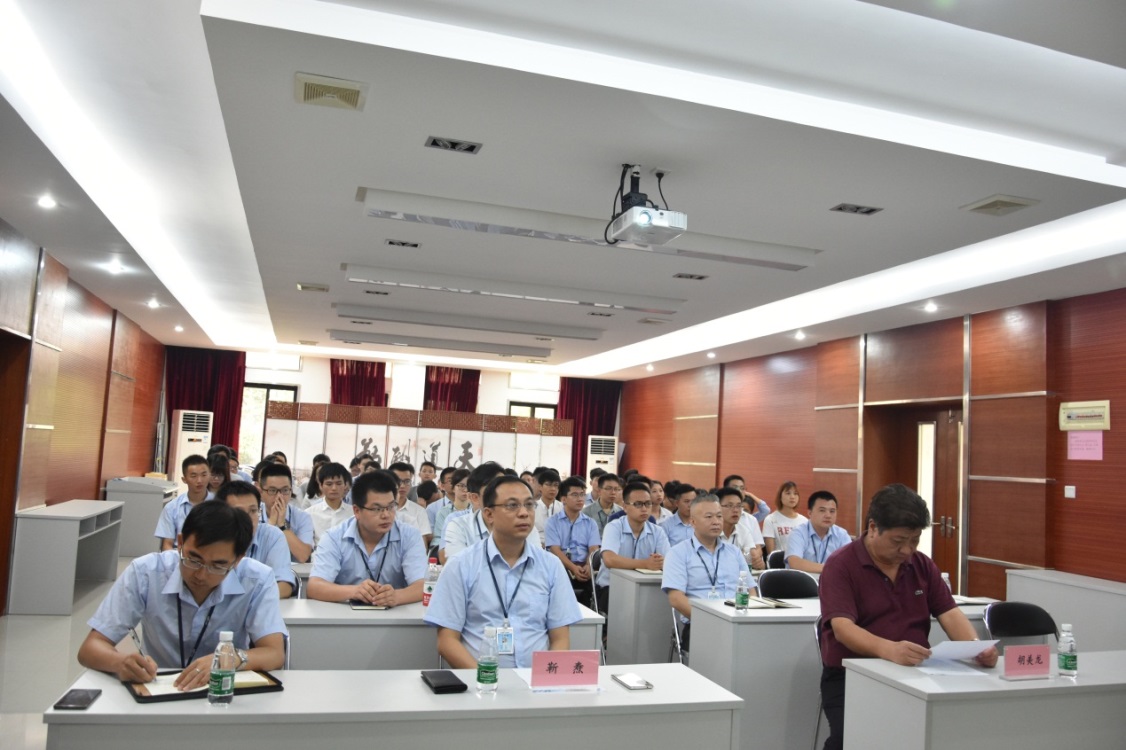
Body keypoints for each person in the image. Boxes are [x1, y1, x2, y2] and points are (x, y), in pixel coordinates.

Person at [818, 484, 997, 750]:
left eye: (914, 541)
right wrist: (890, 650)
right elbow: (843, 629)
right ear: (873, 527)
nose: (907, 550)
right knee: (853, 737)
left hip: (916, 672)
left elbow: (949, 613)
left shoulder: (921, 564)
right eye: (898, 541)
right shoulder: (841, 564)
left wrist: (975, 647)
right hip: (851, 676)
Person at [78, 501, 287, 691]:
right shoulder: (145, 573)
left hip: (222, 690)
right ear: (180, 542)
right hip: (159, 687)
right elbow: (90, 649)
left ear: (238, 559)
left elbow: (275, 653)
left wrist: (230, 659)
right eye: (193, 559)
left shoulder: (257, 579)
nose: (201, 575)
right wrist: (120, 663)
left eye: (218, 566)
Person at [424, 474, 582, 668]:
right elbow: (447, 641)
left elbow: (560, 638)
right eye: (512, 505)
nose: (524, 513)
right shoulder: (460, 565)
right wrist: (485, 678)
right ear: (489, 514)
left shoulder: (551, 565)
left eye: (529, 505)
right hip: (481, 680)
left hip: (535, 680)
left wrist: (543, 679)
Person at [307, 470, 427, 607]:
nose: (386, 515)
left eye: (391, 507)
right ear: (357, 511)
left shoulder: (409, 535)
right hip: (345, 615)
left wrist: (397, 596)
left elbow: (423, 585)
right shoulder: (334, 537)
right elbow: (314, 587)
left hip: (396, 614)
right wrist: (354, 591)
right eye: (377, 509)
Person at [662, 495, 753, 643]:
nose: (716, 521)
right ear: (693, 522)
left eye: (719, 516)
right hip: (701, 626)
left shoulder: (734, 552)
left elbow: (751, 590)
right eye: (709, 517)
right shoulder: (678, 553)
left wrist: (744, 618)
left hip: (738, 624)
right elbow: (676, 599)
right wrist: (714, 620)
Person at [441, 463, 544, 561]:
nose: (503, 493)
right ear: (475, 498)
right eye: (495, 489)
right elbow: (459, 567)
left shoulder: (523, 526)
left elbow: (537, 563)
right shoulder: (459, 526)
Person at [596, 481, 669, 616]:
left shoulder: (657, 531)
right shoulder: (614, 527)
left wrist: (659, 562)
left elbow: (668, 562)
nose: (644, 509)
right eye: (638, 504)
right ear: (625, 507)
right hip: (612, 587)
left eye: (648, 503)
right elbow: (609, 560)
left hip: (648, 587)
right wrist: (646, 564)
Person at [215, 481, 295, 598]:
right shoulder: (210, 538)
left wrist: (245, 602)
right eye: (240, 512)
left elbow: (284, 586)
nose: (248, 519)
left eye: (253, 511)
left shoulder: (272, 536)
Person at [544, 474, 601, 602]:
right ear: (563, 499)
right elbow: (555, 550)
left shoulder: (590, 523)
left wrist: (588, 566)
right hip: (561, 567)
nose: (580, 499)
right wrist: (573, 568)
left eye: (582, 494)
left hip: (584, 567)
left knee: (595, 587)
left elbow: (593, 548)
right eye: (575, 495)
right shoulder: (552, 522)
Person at [257, 461, 314, 563]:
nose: (279, 496)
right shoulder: (251, 514)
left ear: (291, 491)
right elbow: (254, 556)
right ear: (261, 492)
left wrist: (282, 525)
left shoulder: (303, 517)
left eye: (285, 490)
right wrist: (271, 524)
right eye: (272, 490)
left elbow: (303, 556)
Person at [154, 454, 212, 550]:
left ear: (209, 475)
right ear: (184, 479)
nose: (199, 480)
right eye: (193, 476)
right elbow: (167, 544)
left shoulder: (220, 505)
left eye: (204, 475)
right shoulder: (171, 508)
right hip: (180, 554)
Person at [787, 490, 851, 574]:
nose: (828, 515)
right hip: (803, 581)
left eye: (832, 511)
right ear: (810, 513)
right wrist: (830, 568)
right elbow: (795, 563)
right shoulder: (798, 533)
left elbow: (850, 563)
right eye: (822, 510)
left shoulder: (842, 535)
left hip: (832, 581)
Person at [716, 487, 765, 570]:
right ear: (717, 507)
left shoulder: (744, 531)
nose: (735, 510)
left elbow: (754, 559)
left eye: (739, 506)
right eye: (730, 506)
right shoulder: (709, 532)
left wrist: (758, 562)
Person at [305, 462, 353, 546]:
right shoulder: (309, 514)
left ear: (345, 485)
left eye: (339, 483)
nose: (334, 488)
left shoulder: (354, 514)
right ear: (321, 485)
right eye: (329, 484)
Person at [387, 461, 433, 548]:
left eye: (407, 481)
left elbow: (422, 545)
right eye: (398, 481)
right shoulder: (379, 509)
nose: (402, 486)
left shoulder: (419, 511)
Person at [762, 481, 809, 557]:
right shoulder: (770, 519)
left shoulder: (805, 521)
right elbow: (771, 554)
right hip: (780, 562)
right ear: (780, 497)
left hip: (801, 562)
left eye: (795, 493)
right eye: (788, 493)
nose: (792, 497)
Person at [433, 468, 471, 552]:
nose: (465, 490)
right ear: (453, 488)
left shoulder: (476, 511)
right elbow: (437, 539)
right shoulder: (443, 513)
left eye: (468, 486)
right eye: (461, 486)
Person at [659, 482, 697, 547]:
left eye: (693, 501)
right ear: (677, 503)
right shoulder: (665, 526)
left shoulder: (701, 524)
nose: (690, 505)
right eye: (686, 501)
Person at [532, 468, 564, 539]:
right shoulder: (532, 508)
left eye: (556, 485)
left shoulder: (563, 508)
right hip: (536, 543)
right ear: (540, 487)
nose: (553, 489)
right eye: (548, 484)